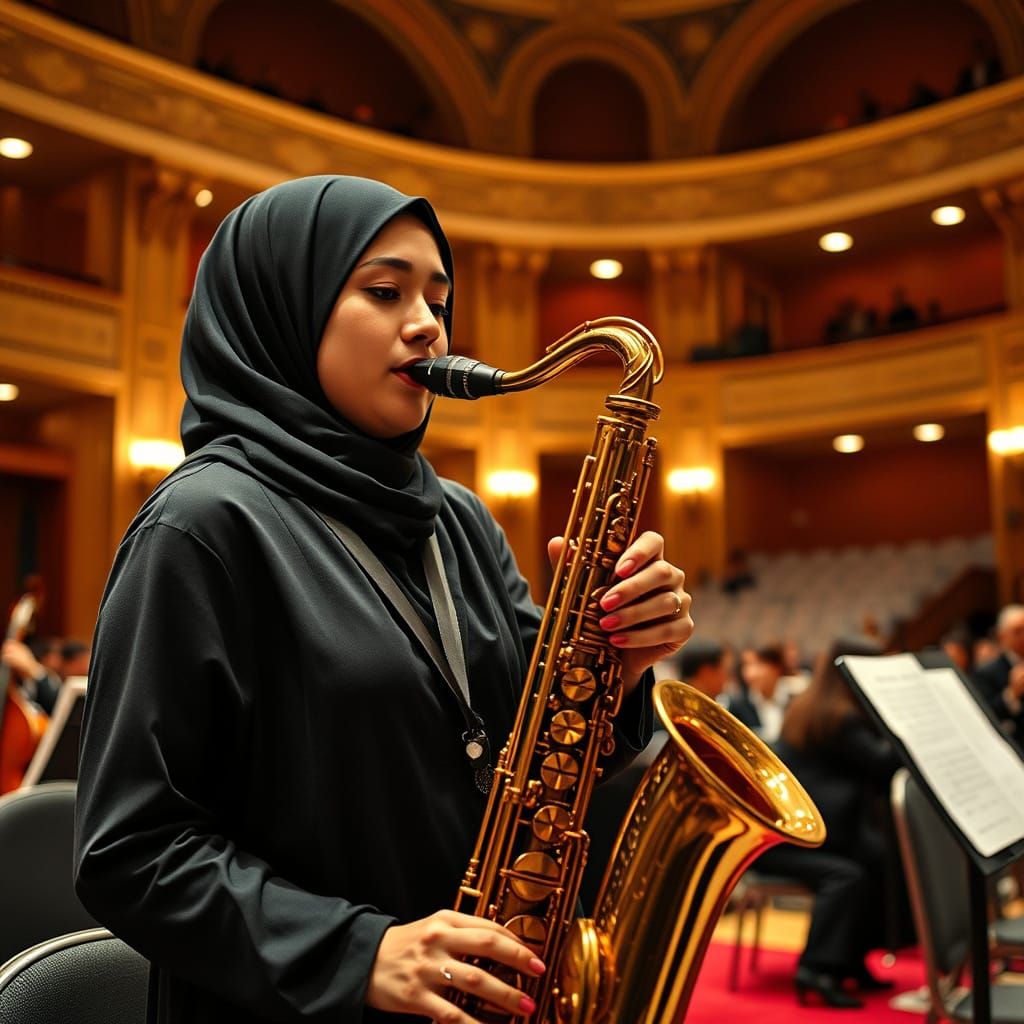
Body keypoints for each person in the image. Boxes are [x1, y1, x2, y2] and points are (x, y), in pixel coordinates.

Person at [73, 175, 695, 1024]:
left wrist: (615, 664)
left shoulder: (461, 519)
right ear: (281, 309)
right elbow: (131, 851)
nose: (428, 324)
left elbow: (540, 745)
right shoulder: (202, 526)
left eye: (439, 298)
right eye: (383, 290)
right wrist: (360, 951)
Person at [754, 636, 903, 1008]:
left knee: (880, 861)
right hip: (784, 841)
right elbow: (883, 765)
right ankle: (817, 968)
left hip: (802, 834)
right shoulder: (840, 717)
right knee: (847, 875)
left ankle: (851, 962)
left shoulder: (813, 705)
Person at [971, 604, 1024, 743]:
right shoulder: (986, 672)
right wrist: (1012, 694)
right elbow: (985, 716)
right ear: (1002, 636)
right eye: (1018, 631)